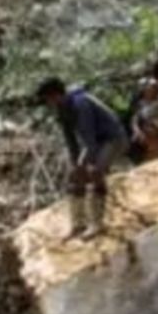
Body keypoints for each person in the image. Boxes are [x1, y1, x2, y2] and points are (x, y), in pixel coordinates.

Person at [37, 77, 128, 239]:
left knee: (95, 172)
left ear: (56, 95)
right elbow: (71, 141)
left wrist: (84, 163)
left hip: (113, 138)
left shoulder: (81, 104)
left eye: (48, 99)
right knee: (75, 177)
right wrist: (75, 165)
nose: (48, 104)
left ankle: (97, 224)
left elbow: (89, 141)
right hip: (96, 142)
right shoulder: (62, 109)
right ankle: (78, 224)